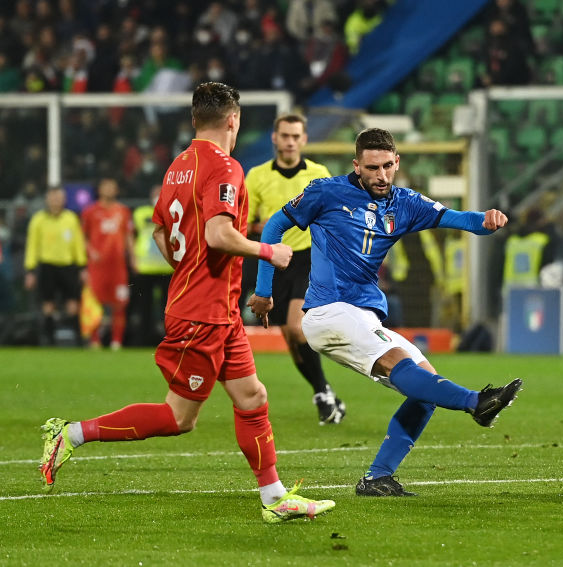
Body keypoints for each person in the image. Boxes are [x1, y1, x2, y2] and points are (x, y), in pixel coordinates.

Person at [39, 82, 334, 524]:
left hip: (216, 309)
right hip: (202, 313)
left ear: (195, 119)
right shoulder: (226, 167)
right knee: (180, 418)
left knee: (252, 395)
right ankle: (72, 434)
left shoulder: (178, 165)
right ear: (233, 120)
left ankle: (274, 498)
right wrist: (268, 251)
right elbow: (218, 234)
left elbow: (160, 230)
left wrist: (186, 267)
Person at [249, 127, 523, 497]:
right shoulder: (325, 192)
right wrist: (264, 291)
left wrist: (487, 221)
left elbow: (459, 219)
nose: (381, 175)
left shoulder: (405, 203)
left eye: (387, 166)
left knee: (427, 385)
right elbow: (274, 226)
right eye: (372, 167)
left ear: (397, 162)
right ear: (356, 165)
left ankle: (378, 478)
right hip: (329, 311)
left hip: (363, 315)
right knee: (400, 363)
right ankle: (477, 402)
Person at [246, 112, 346, 425]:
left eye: (295, 136)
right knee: (290, 339)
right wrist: (262, 225)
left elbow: (334, 214)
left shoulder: (319, 173)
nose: (290, 142)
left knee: (296, 327)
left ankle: (322, 394)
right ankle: (324, 391)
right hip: (273, 261)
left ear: (303, 139)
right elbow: (245, 222)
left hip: (307, 258)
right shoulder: (257, 176)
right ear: (275, 138)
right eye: (285, 136)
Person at [24, 186, 87, 346]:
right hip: (47, 266)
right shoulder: (38, 220)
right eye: (52, 197)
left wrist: (82, 267)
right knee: (48, 304)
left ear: (64, 200)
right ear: (47, 199)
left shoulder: (71, 219)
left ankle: (78, 340)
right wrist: (30, 270)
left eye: (58, 197)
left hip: (68, 266)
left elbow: (78, 244)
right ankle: (49, 340)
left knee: (73, 304)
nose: (55, 201)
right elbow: (32, 246)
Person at [80, 177, 133, 349]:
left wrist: (133, 258)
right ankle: (95, 341)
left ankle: (116, 341)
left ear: (117, 190)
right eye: (106, 187)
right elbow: (83, 237)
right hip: (97, 267)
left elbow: (128, 236)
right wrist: (90, 252)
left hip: (118, 267)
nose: (109, 190)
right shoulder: (90, 212)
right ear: (100, 190)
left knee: (120, 304)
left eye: (112, 187)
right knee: (95, 303)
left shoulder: (123, 211)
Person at [129, 186, 174, 346]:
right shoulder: (140, 213)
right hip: (145, 267)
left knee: (168, 308)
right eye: (156, 194)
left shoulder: (173, 212)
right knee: (144, 307)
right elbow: (130, 236)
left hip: (167, 267)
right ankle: (143, 340)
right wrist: (133, 259)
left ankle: (169, 339)